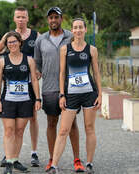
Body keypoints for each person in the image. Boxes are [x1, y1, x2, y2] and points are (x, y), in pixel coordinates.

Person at [48, 18, 102, 174]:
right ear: (72, 30)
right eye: (75, 28)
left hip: (89, 94)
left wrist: (100, 94)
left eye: (81, 27)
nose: (78, 30)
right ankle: (54, 165)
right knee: (63, 130)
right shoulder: (65, 49)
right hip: (71, 94)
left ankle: (89, 163)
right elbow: (62, 73)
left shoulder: (92, 50)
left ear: (85, 30)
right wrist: (62, 95)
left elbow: (96, 73)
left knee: (89, 128)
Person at [34, 7, 85, 172]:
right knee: (51, 123)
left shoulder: (71, 36)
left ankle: (77, 159)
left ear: (61, 19)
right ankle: (52, 159)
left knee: (72, 125)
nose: (53, 20)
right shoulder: (40, 40)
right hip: (49, 88)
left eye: (56, 17)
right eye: (50, 18)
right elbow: (37, 64)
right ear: (47, 20)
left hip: (70, 88)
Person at [0, 6, 41, 169]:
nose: (21, 19)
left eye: (23, 17)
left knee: (31, 118)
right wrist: (0, 69)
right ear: (14, 19)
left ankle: (33, 152)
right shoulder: (8, 36)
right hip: (12, 83)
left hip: (29, 83)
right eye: (18, 17)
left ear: (27, 19)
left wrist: (37, 69)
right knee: (10, 126)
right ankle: (10, 155)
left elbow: (41, 55)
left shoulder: (36, 35)